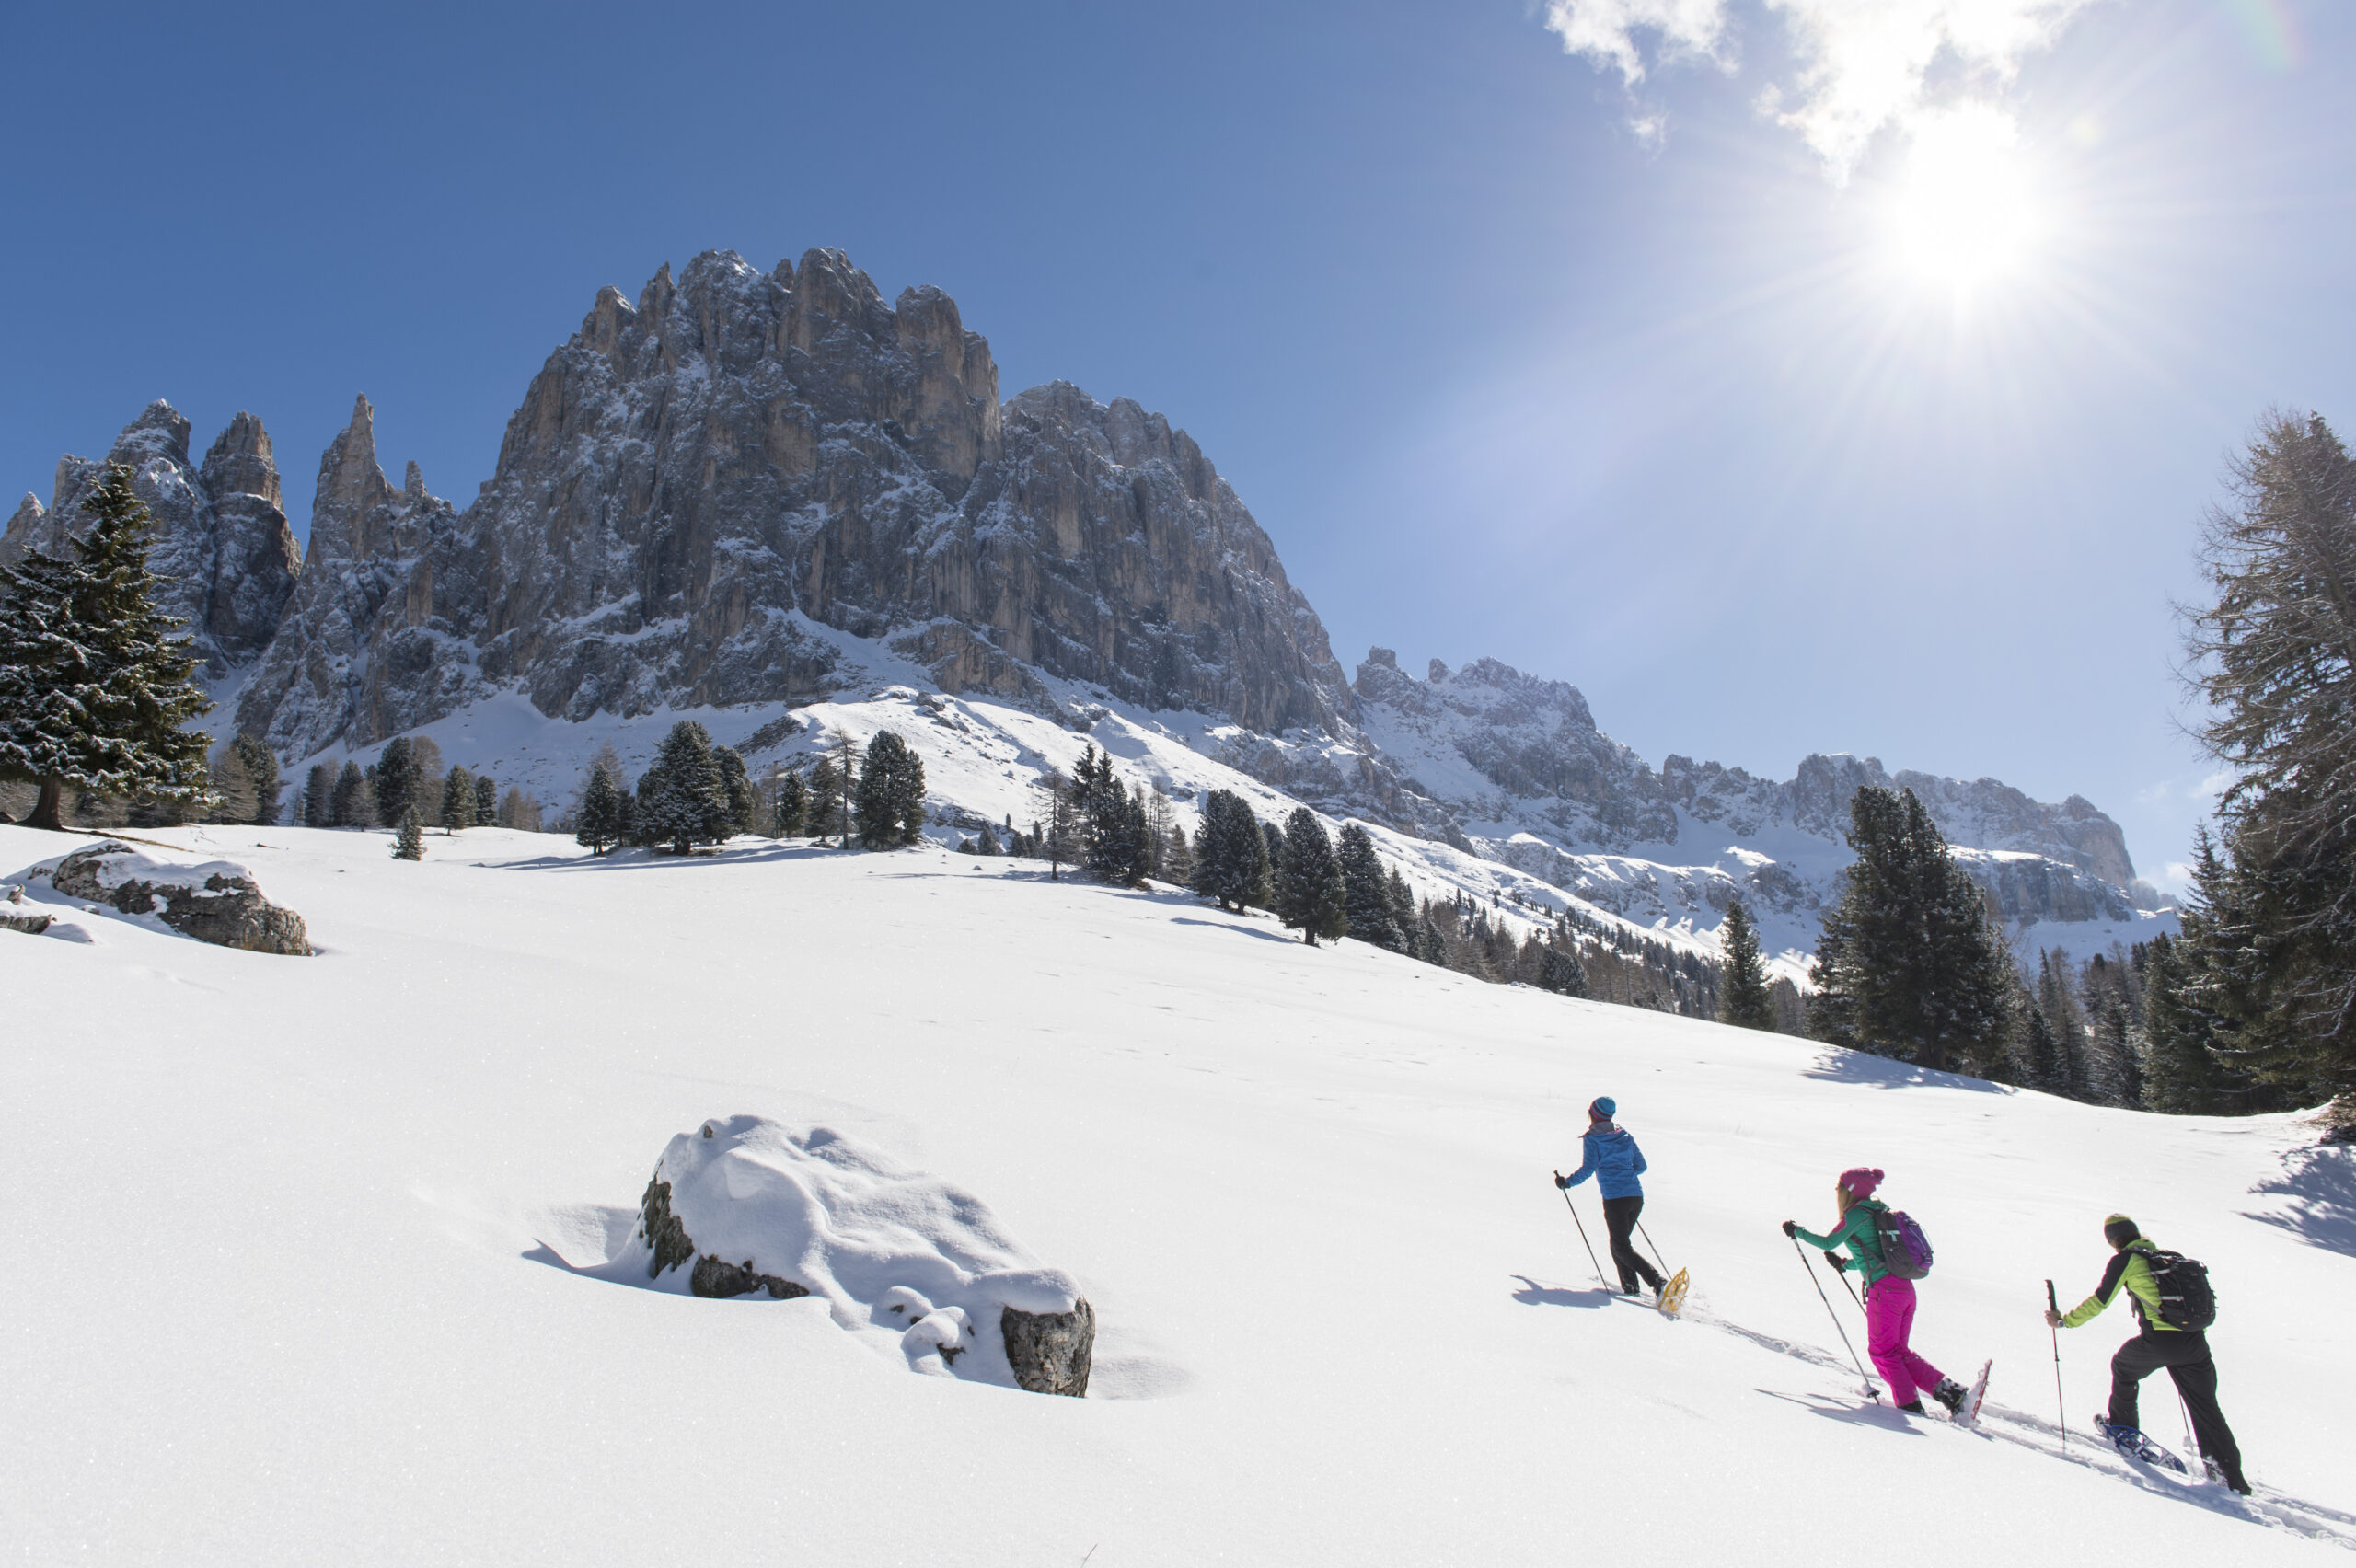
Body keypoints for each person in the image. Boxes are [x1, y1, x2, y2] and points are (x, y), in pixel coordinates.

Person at [2045, 1214, 2248, 1494]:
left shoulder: (2126, 1260)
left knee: (2123, 1366)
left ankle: (2123, 1429)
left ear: (2113, 1240)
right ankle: (2230, 1479)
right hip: (2196, 1345)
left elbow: (2101, 1300)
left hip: (2160, 1341)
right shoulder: (2166, 1256)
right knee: (2206, 1409)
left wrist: (2065, 1321)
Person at [1783, 1167, 1969, 1416]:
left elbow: (1828, 1242)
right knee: (1899, 1352)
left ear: (1848, 1191)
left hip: (1886, 1292)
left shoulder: (1856, 1215)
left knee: (1883, 1352)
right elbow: (1875, 1253)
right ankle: (1952, 1394)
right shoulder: (1879, 1210)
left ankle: (1910, 1408)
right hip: (1905, 1289)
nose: (1837, 1192)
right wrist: (1845, 1265)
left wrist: (1797, 1232)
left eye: (1840, 1188)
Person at [1554, 1097, 1664, 1298]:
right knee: (1619, 1244)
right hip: (1635, 1196)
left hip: (1615, 1199)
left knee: (1621, 1247)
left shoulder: (1593, 1139)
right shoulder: (1625, 1135)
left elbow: (1588, 1168)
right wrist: (1624, 1175)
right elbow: (1641, 1167)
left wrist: (1567, 1182)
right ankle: (1630, 1288)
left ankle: (1658, 1282)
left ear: (1594, 1114)